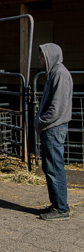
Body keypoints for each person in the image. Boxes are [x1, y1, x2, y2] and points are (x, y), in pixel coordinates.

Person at [35, 43, 73, 221]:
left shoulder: (60, 74)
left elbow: (57, 108)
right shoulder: (55, 73)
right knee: (51, 166)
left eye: (42, 55)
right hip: (51, 127)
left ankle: (61, 207)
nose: (40, 58)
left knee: (54, 167)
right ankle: (57, 203)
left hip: (53, 127)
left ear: (50, 55)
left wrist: (41, 122)